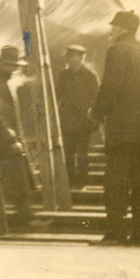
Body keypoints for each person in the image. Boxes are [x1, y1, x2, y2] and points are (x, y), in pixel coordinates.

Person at [89, 10, 140, 246]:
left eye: (114, 27)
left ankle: (116, 234)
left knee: (116, 184)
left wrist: (96, 113)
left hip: (125, 131)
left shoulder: (117, 50)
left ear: (122, 29)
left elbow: (111, 87)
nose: (111, 31)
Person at [0, 45, 38, 228]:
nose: (15, 69)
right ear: (4, 65)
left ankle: (21, 215)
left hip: (1, 135)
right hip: (0, 137)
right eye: (12, 65)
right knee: (16, 176)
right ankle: (23, 217)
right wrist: (11, 139)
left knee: (10, 177)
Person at [55, 44, 98, 190]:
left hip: (83, 120)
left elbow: (95, 98)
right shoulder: (64, 75)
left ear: (81, 58)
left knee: (82, 153)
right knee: (68, 152)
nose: (70, 60)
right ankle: (70, 180)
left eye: (73, 57)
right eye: (68, 57)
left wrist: (94, 119)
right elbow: (57, 96)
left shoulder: (90, 76)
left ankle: (82, 179)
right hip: (67, 120)